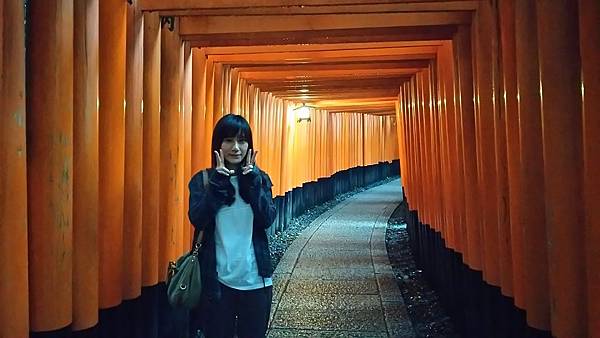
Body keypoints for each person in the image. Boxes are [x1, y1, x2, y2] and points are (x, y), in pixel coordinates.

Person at [187, 114, 276, 338]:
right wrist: (217, 185)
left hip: (256, 279)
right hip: (216, 282)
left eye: (242, 140)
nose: (235, 147)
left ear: (249, 145)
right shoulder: (203, 180)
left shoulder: (261, 179)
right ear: (218, 145)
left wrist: (253, 184)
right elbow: (198, 219)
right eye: (228, 140)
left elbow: (267, 219)